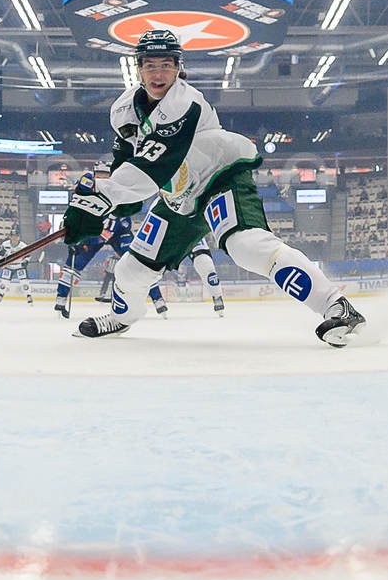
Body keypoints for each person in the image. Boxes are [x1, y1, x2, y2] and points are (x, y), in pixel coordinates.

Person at [65, 29, 365, 345]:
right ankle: (120, 318)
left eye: (166, 65)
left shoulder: (185, 103)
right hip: (179, 196)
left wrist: (99, 202)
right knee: (130, 271)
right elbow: (126, 164)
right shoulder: (122, 111)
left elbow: (155, 165)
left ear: (178, 68)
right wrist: (103, 208)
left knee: (246, 246)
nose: (158, 73)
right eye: (150, 65)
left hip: (221, 177)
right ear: (138, 68)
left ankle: (336, 306)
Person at [53, 178, 165, 319]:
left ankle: (158, 299)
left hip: (118, 231)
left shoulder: (115, 190)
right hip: (94, 235)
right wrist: (75, 242)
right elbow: (73, 224)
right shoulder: (83, 200)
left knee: (138, 261)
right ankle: (60, 299)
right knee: (73, 264)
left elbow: (129, 211)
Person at [0, 231, 34, 305]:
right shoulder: (5, 244)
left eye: (16, 236)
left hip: (19, 266)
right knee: (4, 282)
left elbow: (28, 255)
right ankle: (0, 295)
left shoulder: (23, 246)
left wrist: (25, 261)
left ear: (19, 237)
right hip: (8, 266)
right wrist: (1, 262)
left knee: (24, 282)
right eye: (13, 236)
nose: (15, 238)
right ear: (10, 237)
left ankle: (29, 296)